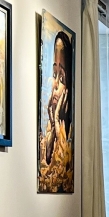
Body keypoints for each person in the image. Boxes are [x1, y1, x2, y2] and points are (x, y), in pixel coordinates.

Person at [44, 31, 72, 165]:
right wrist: (54, 122)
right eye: (54, 74)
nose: (54, 84)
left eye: (61, 78)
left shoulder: (72, 136)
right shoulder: (44, 132)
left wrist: (56, 121)